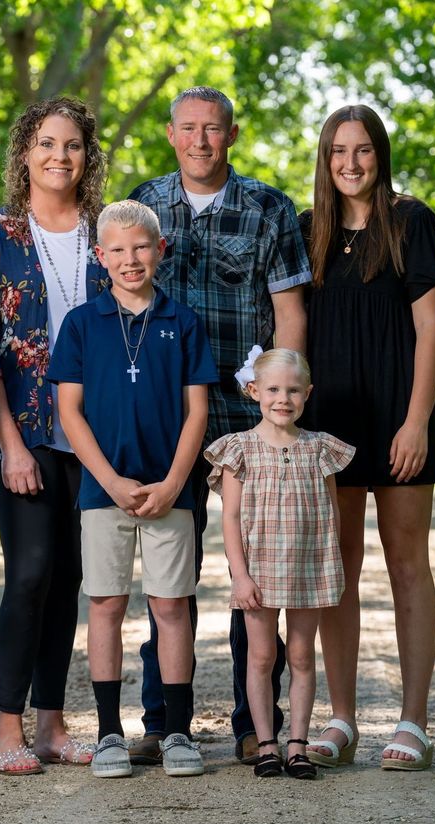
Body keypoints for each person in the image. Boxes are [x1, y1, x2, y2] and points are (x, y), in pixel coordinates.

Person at [129, 86, 311, 765]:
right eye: (189, 129)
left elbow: (289, 314)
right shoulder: (142, 207)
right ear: (171, 134)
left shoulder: (269, 208)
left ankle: (250, 722)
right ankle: (162, 720)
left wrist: (272, 394)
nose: (201, 140)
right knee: (168, 576)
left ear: (231, 135)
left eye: (213, 129)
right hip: (167, 422)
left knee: (253, 578)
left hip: (248, 420)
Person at [0, 97, 108, 774]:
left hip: (98, 433)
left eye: (72, 145)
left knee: (72, 577)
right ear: (25, 153)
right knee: (31, 574)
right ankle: (8, 730)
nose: (59, 156)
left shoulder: (107, 231)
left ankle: (53, 725)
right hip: (23, 431)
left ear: (87, 157)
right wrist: (9, 444)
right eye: (46, 143)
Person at [48, 200, 219, 778]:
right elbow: (70, 413)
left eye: (141, 247)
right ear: (101, 257)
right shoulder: (80, 324)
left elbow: (198, 412)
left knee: (171, 606)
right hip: (105, 491)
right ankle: (108, 734)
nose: (130, 259)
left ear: (160, 251)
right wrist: (110, 479)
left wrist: (174, 481)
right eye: (117, 249)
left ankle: (176, 731)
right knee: (106, 604)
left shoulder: (183, 321)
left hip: (171, 491)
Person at [300, 104, 435, 771]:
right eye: (338, 152)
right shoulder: (309, 234)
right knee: (337, 573)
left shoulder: (413, 223)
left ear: (380, 155)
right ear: (325, 160)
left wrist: (416, 419)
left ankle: (413, 721)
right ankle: (342, 719)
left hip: (398, 416)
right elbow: (291, 333)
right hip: (328, 422)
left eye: (362, 151)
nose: (350, 164)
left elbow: (430, 329)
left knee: (407, 566)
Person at [205, 348, 354, 780]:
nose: (282, 399)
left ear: (307, 393)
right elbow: (230, 518)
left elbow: (332, 513)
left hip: (308, 569)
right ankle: (266, 742)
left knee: (303, 656)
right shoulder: (239, 449)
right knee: (262, 656)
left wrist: (331, 565)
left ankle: (298, 745)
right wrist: (240, 575)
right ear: (254, 391)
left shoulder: (319, 449)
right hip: (260, 573)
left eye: (292, 390)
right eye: (272, 389)